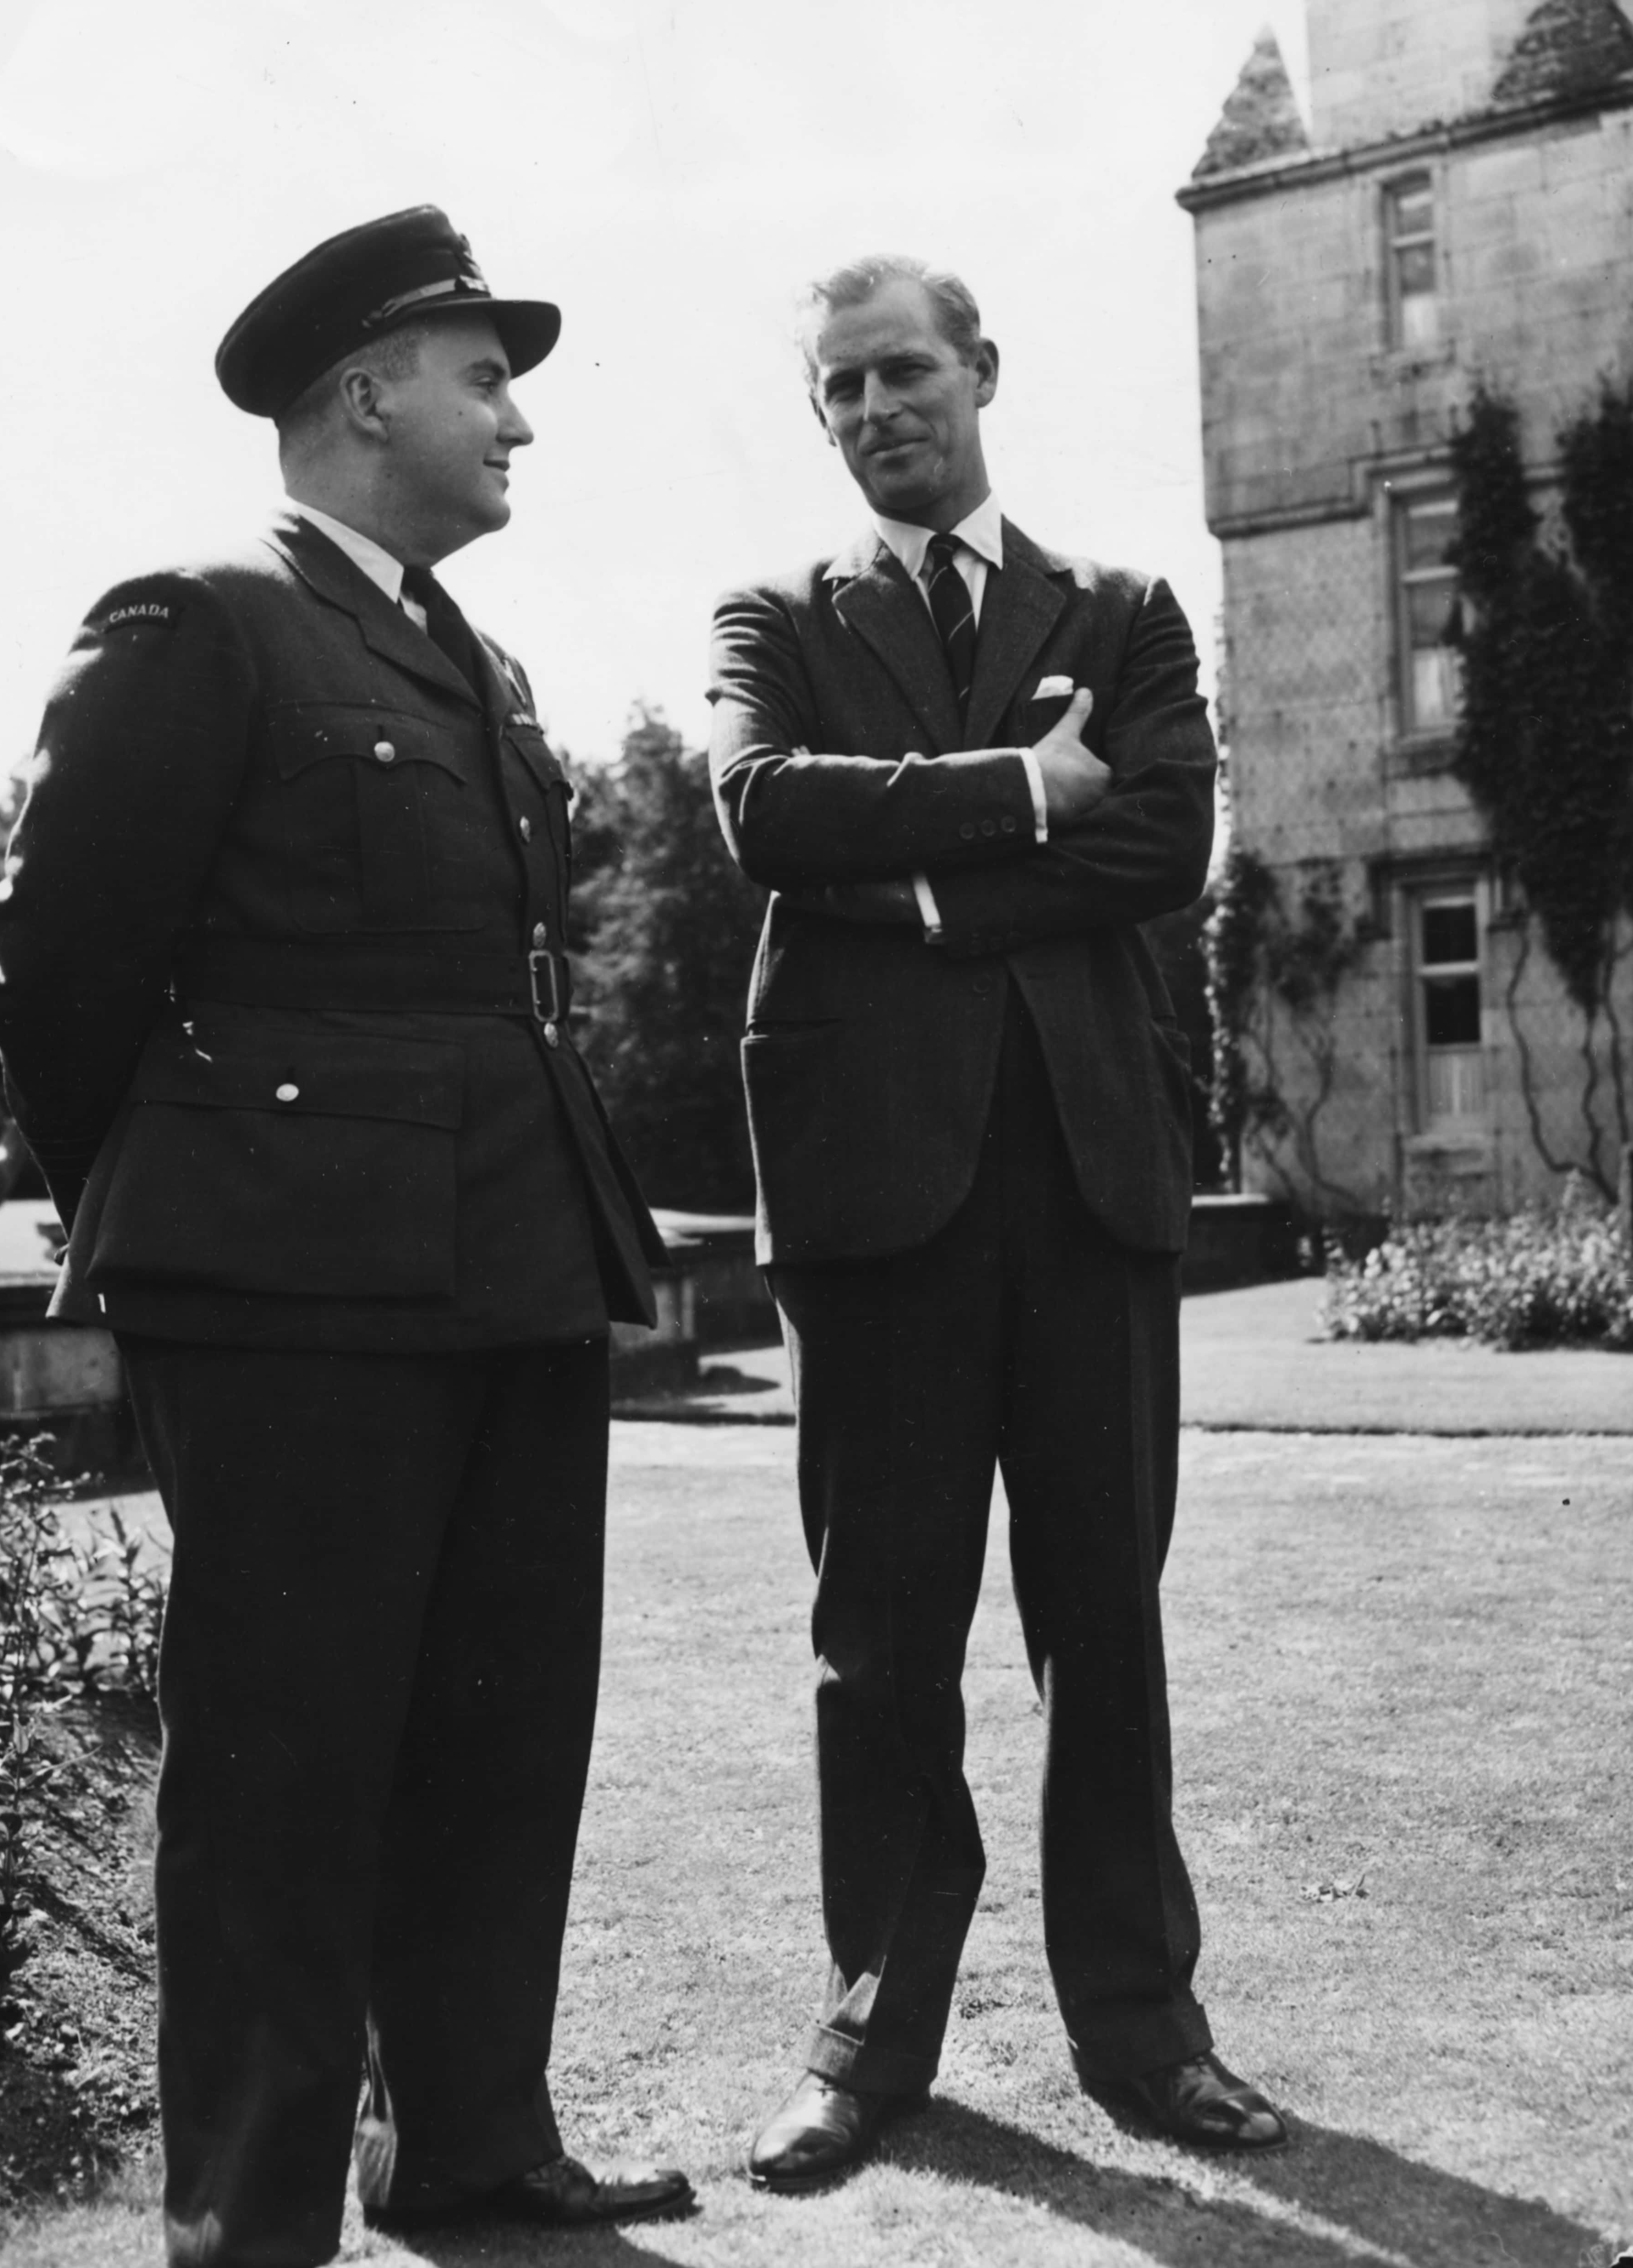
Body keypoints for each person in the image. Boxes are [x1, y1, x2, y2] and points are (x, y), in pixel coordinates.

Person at [0, 207, 693, 2265]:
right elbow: (56, 961)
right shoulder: (202, 620)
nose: (518, 423)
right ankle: (252, 2214)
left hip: (510, 1253)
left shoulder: (476, 658)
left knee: (502, 1725)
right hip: (288, 1279)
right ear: (368, 394)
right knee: (284, 1760)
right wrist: (188, 1206)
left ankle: (466, 2142)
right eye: (485, 379)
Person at [707, 254, 1287, 2190]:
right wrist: (1024, 789)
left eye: (906, 370)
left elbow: (1166, 835)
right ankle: (870, 2040)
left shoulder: (1119, 610)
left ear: (981, 371)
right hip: (874, 1200)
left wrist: (933, 888)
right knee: (879, 1637)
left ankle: (1145, 2028)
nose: (878, 408)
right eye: (842, 386)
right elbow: (766, 813)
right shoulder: (774, 618)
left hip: (1089, 1183)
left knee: (1102, 1625)